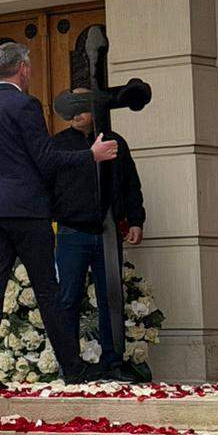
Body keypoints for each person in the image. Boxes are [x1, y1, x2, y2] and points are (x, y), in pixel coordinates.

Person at [0, 42, 118, 390]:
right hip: (27, 211)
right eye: (29, 66)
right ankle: (73, 369)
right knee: (47, 289)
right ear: (22, 68)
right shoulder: (25, 105)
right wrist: (90, 155)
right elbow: (46, 159)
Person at [52, 88, 147, 381]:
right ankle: (70, 366)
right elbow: (47, 185)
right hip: (72, 232)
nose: (77, 113)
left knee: (111, 298)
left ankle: (113, 362)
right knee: (68, 299)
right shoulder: (58, 144)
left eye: (83, 106)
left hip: (107, 232)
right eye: (72, 107)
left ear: (97, 109)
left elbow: (130, 183)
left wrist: (135, 219)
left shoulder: (115, 142)